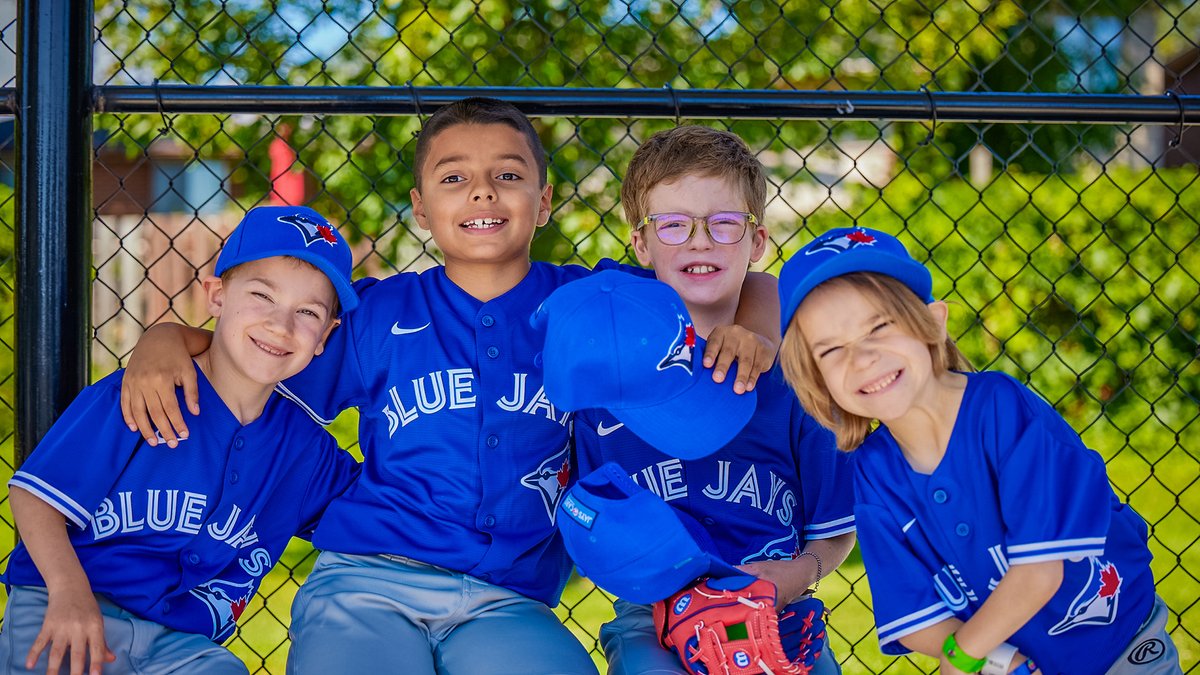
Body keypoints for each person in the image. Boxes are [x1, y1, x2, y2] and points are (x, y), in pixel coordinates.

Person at [117, 98, 781, 675]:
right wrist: (167, 338)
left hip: (507, 593)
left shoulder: (589, 301)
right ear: (421, 209)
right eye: (455, 177)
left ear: (544, 201)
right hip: (367, 579)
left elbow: (752, 281)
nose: (483, 192)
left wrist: (756, 333)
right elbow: (258, 351)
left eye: (509, 176)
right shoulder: (381, 313)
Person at [776, 226, 1181, 675]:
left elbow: (1041, 571)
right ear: (816, 380)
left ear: (933, 322)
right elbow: (912, 614)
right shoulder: (874, 472)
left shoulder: (1001, 410)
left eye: (879, 326)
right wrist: (994, 659)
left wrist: (962, 655)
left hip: (1120, 652)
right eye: (831, 350)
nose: (862, 357)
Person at [543, 126, 856, 675]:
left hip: (775, 603)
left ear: (757, 242)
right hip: (651, 609)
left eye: (725, 223)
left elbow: (835, 530)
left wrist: (796, 576)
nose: (700, 240)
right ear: (641, 244)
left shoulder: (799, 376)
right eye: (673, 224)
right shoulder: (610, 354)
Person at [0, 205, 361, 675]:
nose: (281, 324)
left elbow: (379, 509)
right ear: (216, 295)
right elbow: (33, 497)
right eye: (261, 295)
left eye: (308, 311)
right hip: (69, 602)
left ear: (325, 336)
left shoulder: (306, 451)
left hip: (181, 642)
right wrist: (69, 594)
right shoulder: (146, 391)